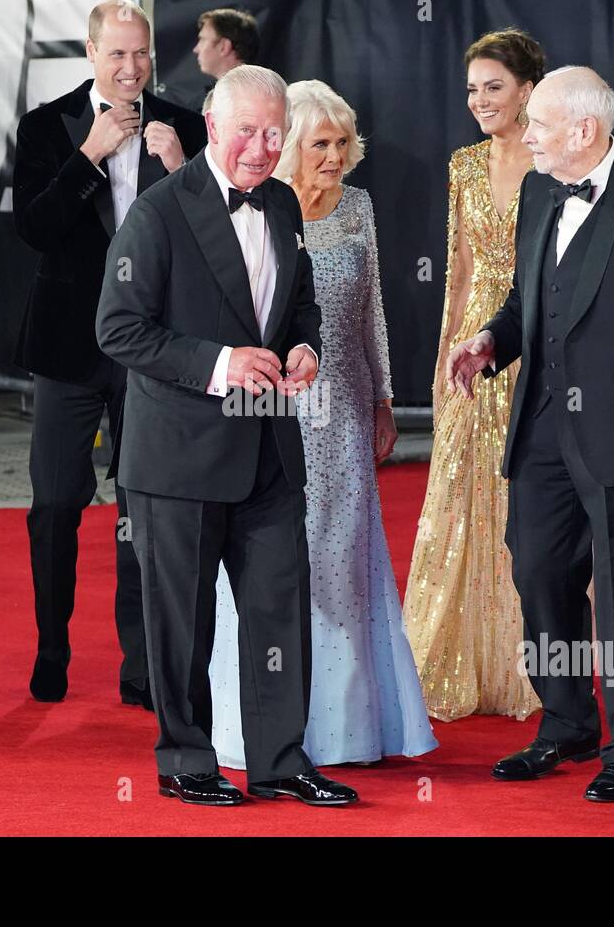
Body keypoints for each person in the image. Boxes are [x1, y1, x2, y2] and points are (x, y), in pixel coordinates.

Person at [447, 66, 614, 802]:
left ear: (584, 130)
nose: (522, 132)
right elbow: (524, 302)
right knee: (536, 569)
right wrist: (489, 343)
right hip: (542, 429)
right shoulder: (539, 190)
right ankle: (568, 720)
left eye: (536, 121)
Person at [97, 64, 358, 808]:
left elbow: (296, 303)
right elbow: (117, 328)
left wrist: (306, 346)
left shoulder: (280, 202)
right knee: (182, 622)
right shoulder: (158, 212)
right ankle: (187, 761)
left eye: (275, 132)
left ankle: (280, 759)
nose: (261, 147)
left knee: (280, 609)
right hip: (177, 457)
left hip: (269, 452)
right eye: (247, 130)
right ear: (211, 126)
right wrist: (218, 363)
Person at [208, 80, 436, 767]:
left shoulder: (359, 206)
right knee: (274, 558)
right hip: (273, 408)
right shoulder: (262, 208)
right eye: (321, 144)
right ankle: (260, 718)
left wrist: (385, 399)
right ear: (290, 146)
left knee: (342, 560)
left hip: (345, 410)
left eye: (342, 143)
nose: (335, 157)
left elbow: (372, 313)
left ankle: (345, 727)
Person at [13, 0, 205, 707]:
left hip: (152, 348)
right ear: (92, 54)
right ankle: (51, 646)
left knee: (145, 510)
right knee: (57, 502)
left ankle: (143, 665)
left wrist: (182, 166)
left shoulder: (183, 124)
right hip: (68, 346)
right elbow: (32, 228)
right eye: (117, 54)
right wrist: (89, 154)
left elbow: (208, 239)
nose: (131, 68)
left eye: (141, 54)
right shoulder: (45, 127)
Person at [402, 29, 545, 723]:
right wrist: (441, 365)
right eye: (471, 89)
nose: (480, 100)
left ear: (526, 89)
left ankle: (530, 665)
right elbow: (459, 270)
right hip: (471, 356)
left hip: (535, 348)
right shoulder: (462, 165)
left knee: (528, 505)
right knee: (458, 501)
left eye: (493, 87)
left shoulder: (554, 161)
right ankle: (448, 657)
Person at [193, 8, 258, 81]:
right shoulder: (255, 86)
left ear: (224, 47)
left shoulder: (250, 90)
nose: (195, 49)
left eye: (203, 40)